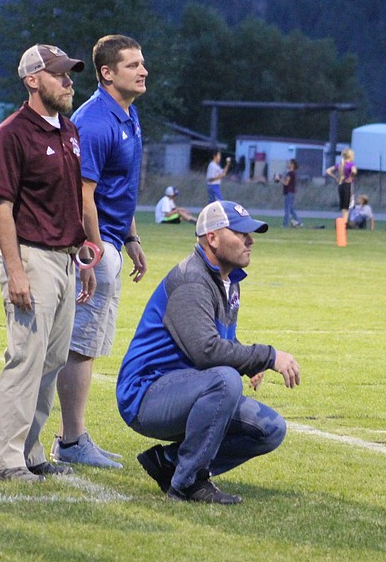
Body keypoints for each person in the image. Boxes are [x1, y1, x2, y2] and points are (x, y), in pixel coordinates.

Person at [117, 200, 298, 504]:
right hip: (146, 394)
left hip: (187, 388)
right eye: (240, 233)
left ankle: (171, 462)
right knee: (225, 380)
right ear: (212, 238)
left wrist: (246, 359)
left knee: (270, 429)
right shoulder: (192, 280)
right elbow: (206, 351)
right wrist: (267, 356)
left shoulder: (228, 280)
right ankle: (187, 483)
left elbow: (219, 339)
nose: (250, 240)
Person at [0, 43, 96, 482]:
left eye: (69, 74)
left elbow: (70, 199)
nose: (69, 82)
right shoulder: (12, 133)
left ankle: (29, 450)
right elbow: (2, 207)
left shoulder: (68, 130)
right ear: (33, 80)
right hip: (32, 257)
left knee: (51, 362)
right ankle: (4, 460)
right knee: (25, 359)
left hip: (66, 259)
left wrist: (83, 249)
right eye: (59, 75)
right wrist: (15, 270)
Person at [53, 34, 149, 469]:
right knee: (79, 344)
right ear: (107, 72)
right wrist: (94, 248)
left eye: (142, 63)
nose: (143, 71)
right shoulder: (95, 120)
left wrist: (132, 239)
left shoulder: (128, 114)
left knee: (88, 345)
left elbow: (119, 188)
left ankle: (72, 438)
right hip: (96, 244)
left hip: (112, 238)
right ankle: (71, 440)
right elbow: (85, 193)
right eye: (132, 65)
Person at [325, 147, 357, 222]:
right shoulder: (351, 164)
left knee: (343, 205)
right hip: (348, 185)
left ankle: (344, 220)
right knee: (349, 205)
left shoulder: (340, 165)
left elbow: (328, 171)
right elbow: (354, 171)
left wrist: (336, 178)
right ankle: (346, 222)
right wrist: (351, 177)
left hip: (341, 184)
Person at [274, 158, 303, 228]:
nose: (287, 164)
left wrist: (278, 179)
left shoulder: (290, 173)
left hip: (289, 192)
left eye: (289, 163)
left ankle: (285, 224)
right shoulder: (293, 173)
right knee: (291, 209)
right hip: (291, 192)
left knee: (287, 209)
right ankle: (299, 221)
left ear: (292, 165)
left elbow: (286, 183)